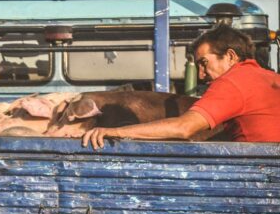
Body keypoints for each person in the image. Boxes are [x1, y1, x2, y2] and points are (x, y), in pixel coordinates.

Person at [82, 25, 280, 148]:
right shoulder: (271, 78)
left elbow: (184, 128)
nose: (201, 75)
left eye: (204, 63)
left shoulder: (233, 81)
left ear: (230, 56)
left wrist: (114, 132)